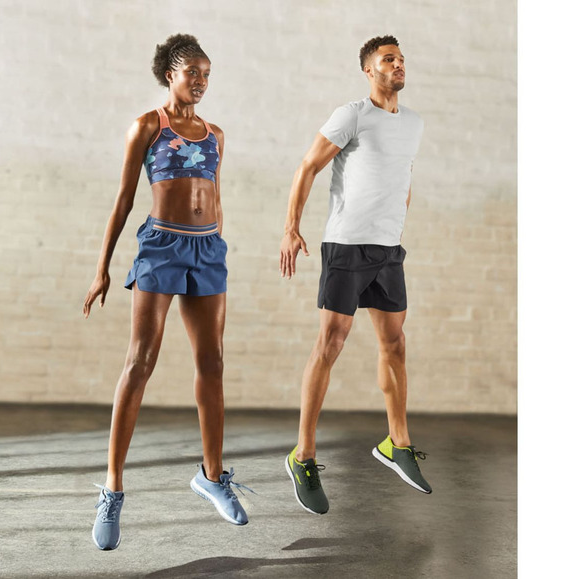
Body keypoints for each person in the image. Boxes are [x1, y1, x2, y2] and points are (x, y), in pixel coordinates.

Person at [83, 33, 250, 551]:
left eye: (207, 73)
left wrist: (216, 242)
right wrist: (102, 268)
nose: (200, 80)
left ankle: (212, 476)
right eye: (191, 71)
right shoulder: (147, 126)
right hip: (161, 247)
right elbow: (123, 200)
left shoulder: (216, 135)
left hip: (208, 249)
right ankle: (112, 488)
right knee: (140, 362)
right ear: (169, 73)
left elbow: (213, 194)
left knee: (212, 362)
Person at [279, 35, 432, 515]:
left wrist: (396, 224)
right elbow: (308, 166)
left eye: (401, 59)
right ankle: (303, 455)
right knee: (330, 343)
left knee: (395, 344)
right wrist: (291, 229)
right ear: (369, 70)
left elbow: (402, 179)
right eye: (388, 59)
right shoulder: (352, 115)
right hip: (346, 245)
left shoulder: (414, 123)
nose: (398, 65)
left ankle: (397, 444)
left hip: (387, 251)